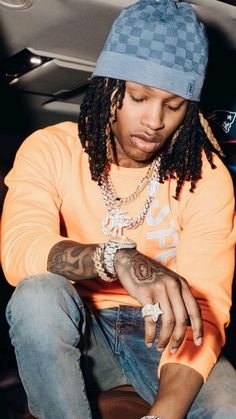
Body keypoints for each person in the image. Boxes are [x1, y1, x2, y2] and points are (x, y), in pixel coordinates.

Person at [1, 0, 236, 418]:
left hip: (163, 334)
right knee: (37, 294)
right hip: (81, 322)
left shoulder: (208, 177)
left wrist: (163, 414)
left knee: (228, 401)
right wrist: (114, 257)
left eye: (173, 105)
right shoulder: (50, 149)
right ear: (109, 87)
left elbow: (207, 307)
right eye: (139, 97)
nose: (153, 121)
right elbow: (20, 249)